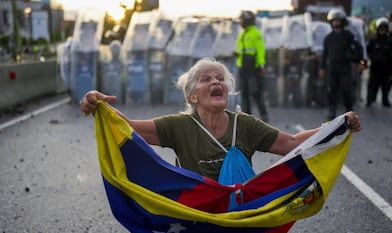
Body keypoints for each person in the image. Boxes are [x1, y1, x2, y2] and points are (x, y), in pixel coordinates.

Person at [80, 57, 362, 182]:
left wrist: (335, 126)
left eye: (220, 79)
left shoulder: (246, 124)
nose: (217, 82)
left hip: (240, 215)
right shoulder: (178, 127)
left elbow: (290, 143)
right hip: (196, 214)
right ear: (192, 96)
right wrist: (96, 104)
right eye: (206, 79)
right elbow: (127, 128)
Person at [319, 8, 364, 120]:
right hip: (333, 67)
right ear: (331, 21)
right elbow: (325, 54)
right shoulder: (328, 38)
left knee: (346, 89)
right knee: (331, 90)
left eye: (338, 20)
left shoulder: (348, 35)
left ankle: (349, 111)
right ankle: (332, 110)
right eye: (334, 20)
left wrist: (361, 62)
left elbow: (359, 48)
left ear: (342, 21)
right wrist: (322, 67)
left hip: (345, 66)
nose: (336, 22)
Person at [234, 10, 268, 122]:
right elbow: (241, 50)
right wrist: (237, 54)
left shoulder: (255, 33)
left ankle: (263, 114)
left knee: (255, 91)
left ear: (247, 20)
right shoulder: (243, 34)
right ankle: (246, 115)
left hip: (253, 66)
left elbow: (260, 50)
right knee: (244, 91)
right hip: (243, 66)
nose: (240, 22)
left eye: (242, 20)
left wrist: (262, 65)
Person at [366, 17, 392, 107]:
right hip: (375, 68)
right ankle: (370, 100)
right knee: (372, 85)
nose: (382, 31)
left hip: (386, 68)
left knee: (386, 85)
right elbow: (367, 51)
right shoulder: (373, 41)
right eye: (380, 29)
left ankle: (385, 100)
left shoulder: (390, 41)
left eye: (384, 29)